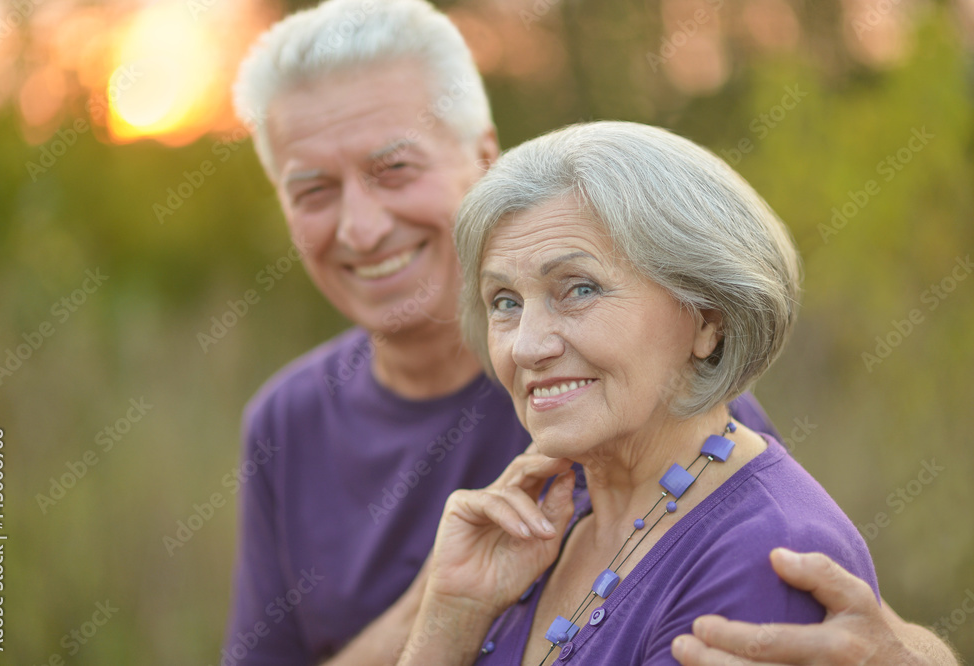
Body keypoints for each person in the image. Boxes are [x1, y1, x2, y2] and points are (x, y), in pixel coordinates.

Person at [223, 1, 958, 665]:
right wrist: (440, 614)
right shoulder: (286, 418)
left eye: (393, 168)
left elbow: (788, 563)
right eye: (313, 189)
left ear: (484, 158)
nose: (360, 225)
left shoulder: (641, 394)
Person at [395, 120, 876, 664]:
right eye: (505, 300)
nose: (526, 347)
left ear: (707, 320)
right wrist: (451, 613)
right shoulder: (543, 523)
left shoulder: (764, 555)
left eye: (579, 289)